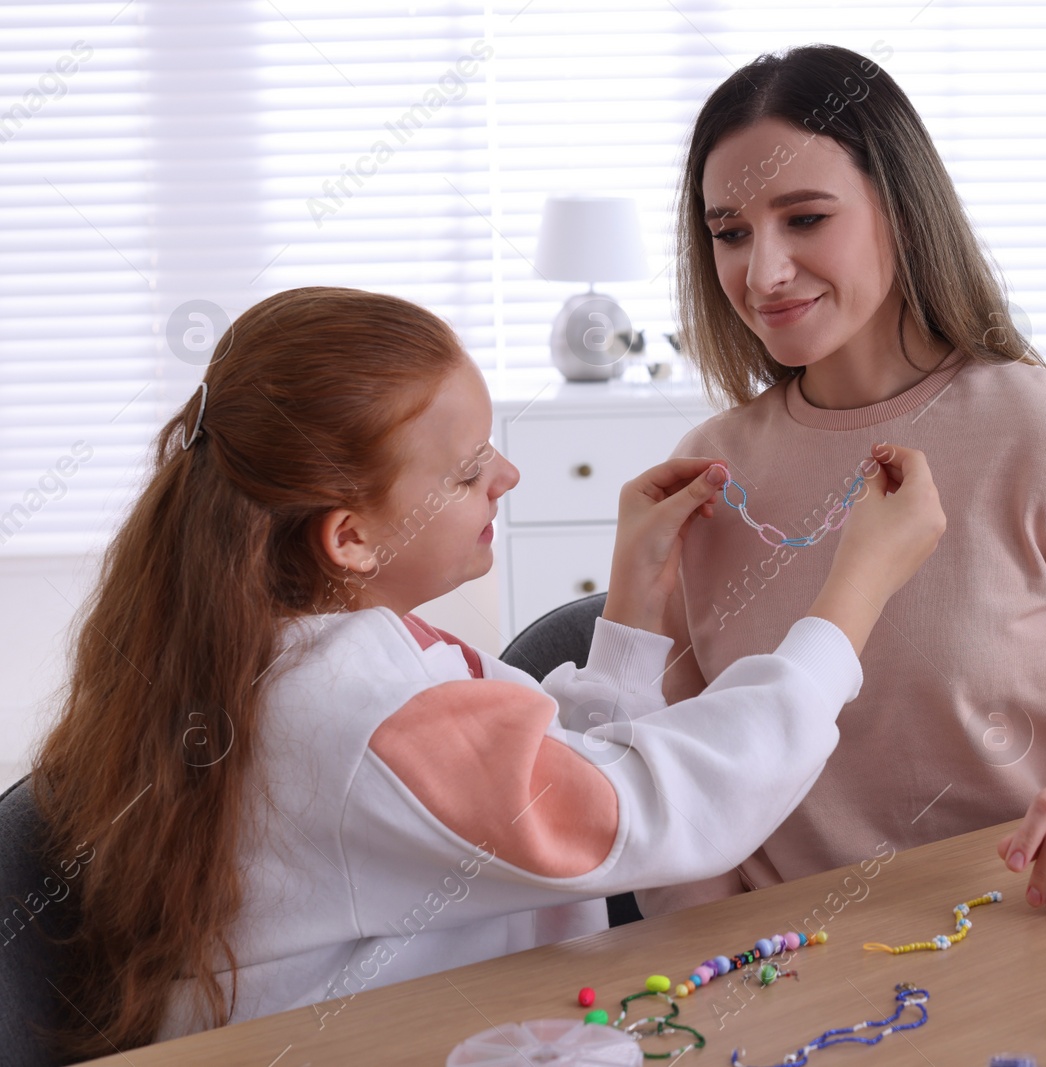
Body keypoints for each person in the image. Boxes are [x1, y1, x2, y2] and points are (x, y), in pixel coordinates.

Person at [26, 286, 945, 1056]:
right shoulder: (355, 710)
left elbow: (539, 784)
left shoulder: (277, 649)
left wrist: (631, 608)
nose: (506, 474)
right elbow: (651, 810)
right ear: (350, 537)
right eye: (468, 471)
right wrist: (852, 596)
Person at [638, 44, 1046, 921]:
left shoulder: (1044, 434)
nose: (761, 273)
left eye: (804, 218)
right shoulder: (712, 473)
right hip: (774, 981)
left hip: (1012, 953)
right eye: (729, 232)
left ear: (902, 211)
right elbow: (675, 783)